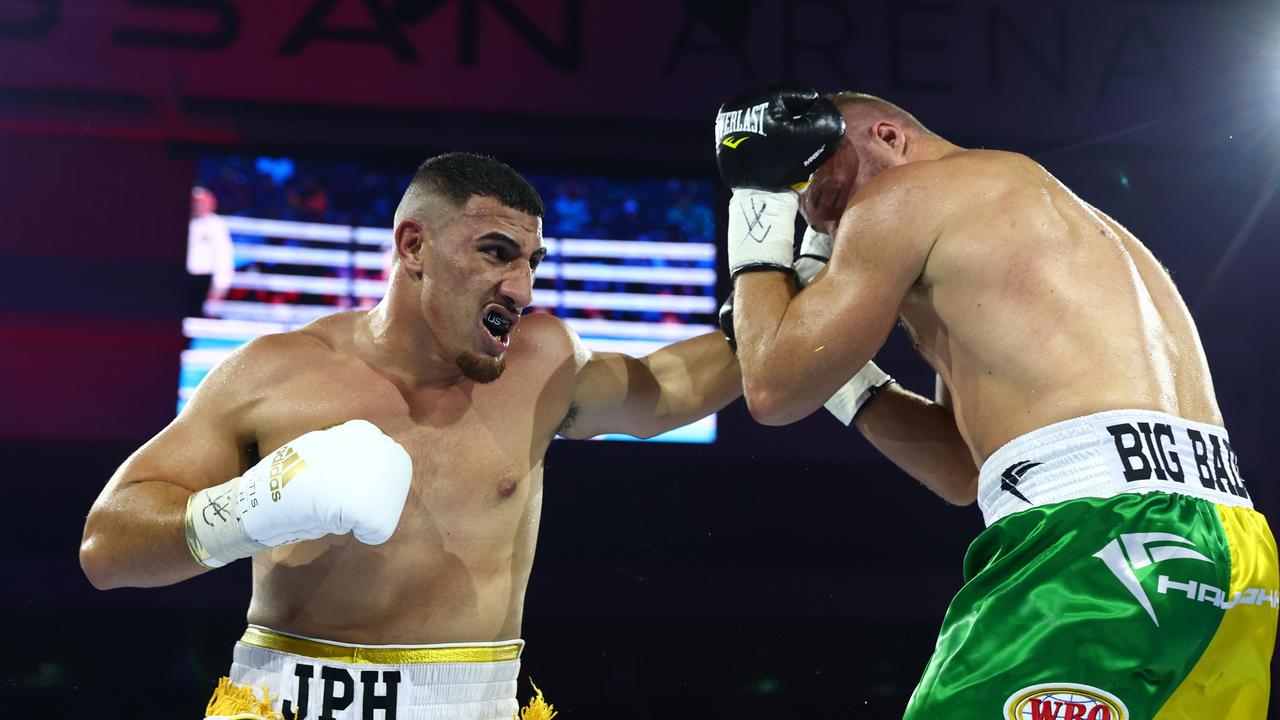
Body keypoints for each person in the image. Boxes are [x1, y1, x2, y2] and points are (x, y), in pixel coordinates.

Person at [80, 153, 743, 720]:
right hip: (289, 699)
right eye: (496, 253)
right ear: (414, 246)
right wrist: (254, 508)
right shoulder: (276, 374)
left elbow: (666, 388)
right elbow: (107, 548)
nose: (520, 286)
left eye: (532, 262)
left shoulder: (541, 367)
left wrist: (814, 278)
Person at [713, 83, 1277, 719]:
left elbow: (771, 388)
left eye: (834, 199)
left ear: (888, 139)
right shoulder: (1031, 219)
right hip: (1234, 554)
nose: (837, 231)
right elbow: (962, 471)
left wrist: (755, 198)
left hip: (1098, 543)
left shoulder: (905, 195)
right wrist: (847, 382)